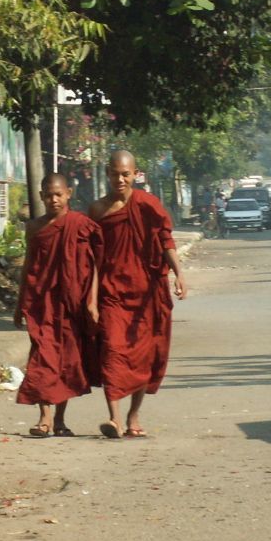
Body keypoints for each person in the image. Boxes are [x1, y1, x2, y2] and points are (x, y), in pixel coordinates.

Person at [88, 150, 187, 439]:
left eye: (125, 174)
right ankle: (114, 418)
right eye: (115, 173)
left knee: (143, 356)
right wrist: (91, 296)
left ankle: (133, 415)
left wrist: (179, 273)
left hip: (146, 293)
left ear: (135, 174)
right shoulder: (97, 210)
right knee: (112, 350)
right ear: (107, 173)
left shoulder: (148, 205)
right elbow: (92, 258)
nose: (120, 179)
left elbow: (165, 239)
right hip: (112, 292)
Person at [14, 174, 102, 437]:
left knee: (67, 361)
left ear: (69, 194)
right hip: (42, 303)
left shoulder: (81, 224)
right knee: (42, 357)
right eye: (48, 195)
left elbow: (97, 264)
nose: (53, 199)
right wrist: (20, 303)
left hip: (71, 303)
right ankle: (44, 417)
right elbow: (28, 266)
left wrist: (92, 299)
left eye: (58, 194)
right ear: (41, 196)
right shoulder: (35, 228)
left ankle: (61, 420)